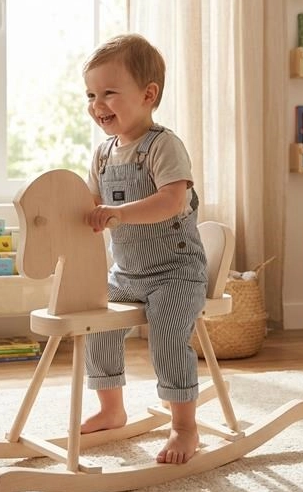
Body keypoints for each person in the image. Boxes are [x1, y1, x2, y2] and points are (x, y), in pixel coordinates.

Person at [81, 33, 208, 465]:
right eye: (91, 95)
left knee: (168, 335)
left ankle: (184, 426)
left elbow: (170, 201)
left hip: (176, 272)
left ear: (148, 95)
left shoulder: (163, 146)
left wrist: (116, 214)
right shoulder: (102, 155)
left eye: (108, 93)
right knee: (96, 323)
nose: (98, 104)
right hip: (127, 273)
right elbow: (89, 205)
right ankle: (111, 408)